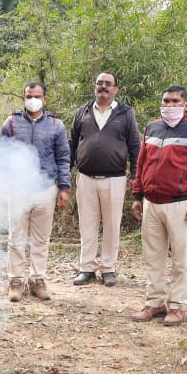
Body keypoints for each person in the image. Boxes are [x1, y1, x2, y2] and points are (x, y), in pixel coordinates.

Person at [130, 86, 187, 327]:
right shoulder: (153, 127)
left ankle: (177, 305)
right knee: (153, 256)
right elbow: (142, 162)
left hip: (180, 204)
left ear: (185, 104)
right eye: (166, 100)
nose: (170, 105)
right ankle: (155, 302)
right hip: (151, 203)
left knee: (180, 257)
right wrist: (138, 195)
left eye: (175, 101)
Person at [69, 71, 141, 288]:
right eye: (100, 83)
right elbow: (72, 143)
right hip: (86, 177)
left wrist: (136, 175)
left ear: (115, 89)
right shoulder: (83, 112)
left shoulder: (125, 113)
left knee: (111, 224)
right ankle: (87, 268)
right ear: (94, 87)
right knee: (87, 224)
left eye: (108, 84)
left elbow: (135, 146)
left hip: (115, 178)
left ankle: (108, 268)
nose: (103, 87)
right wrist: (65, 174)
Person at [1, 82, 71, 302]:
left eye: (37, 96)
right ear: (23, 98)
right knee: (16, 238)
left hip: (45, 188)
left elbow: (63, 158)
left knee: (41, 239)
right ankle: (16, 281)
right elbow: (1, 156)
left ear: (45, 99)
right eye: (28, 96)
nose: (32, 100)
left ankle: (37, 280)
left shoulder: (56, 125)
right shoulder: (11, 123)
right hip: (18, 189)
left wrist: (64, 187)